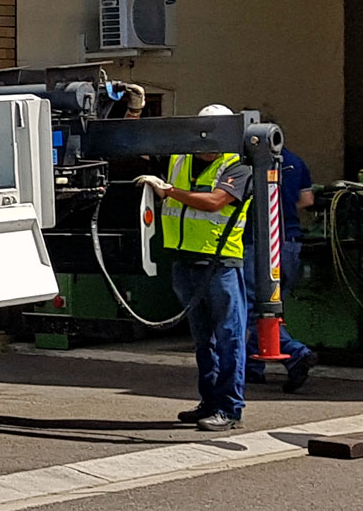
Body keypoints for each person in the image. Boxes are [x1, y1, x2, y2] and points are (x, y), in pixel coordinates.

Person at [134, 104, 255, 432]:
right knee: (204, 340)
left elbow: (215, 202)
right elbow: (137, 146)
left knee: (229, 337)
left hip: (220, 263)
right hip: (185, 261)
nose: (208, 143)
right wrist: (134, 111)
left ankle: (230, 409)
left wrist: (170, 191)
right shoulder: (179, 159)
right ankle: (210, 402)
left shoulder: (237, 165)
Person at [245, 131, 319, 393]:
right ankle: (252, 367)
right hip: (290, 244)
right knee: (271, 308)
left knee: (255, 308)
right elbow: (307, 200)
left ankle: (296, 353)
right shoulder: (296, 162)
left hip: (258, 245)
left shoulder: (249, 163)